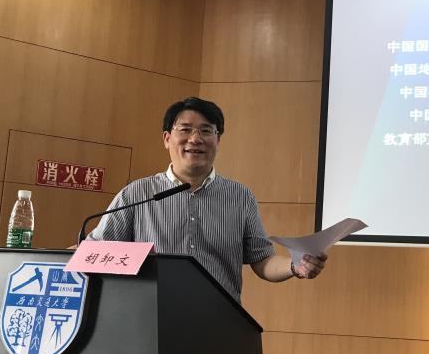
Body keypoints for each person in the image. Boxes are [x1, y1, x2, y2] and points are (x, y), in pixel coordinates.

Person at [87, 97, 326, 301]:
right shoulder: (136, 194)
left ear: (218, 140)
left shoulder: (240, 197)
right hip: (149, 321)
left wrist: (295, 266)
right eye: (185, 129)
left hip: (220, 322)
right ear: (167, 138)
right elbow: (94, 253)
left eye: (206, 130)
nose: (195, 139)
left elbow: (263, 260)